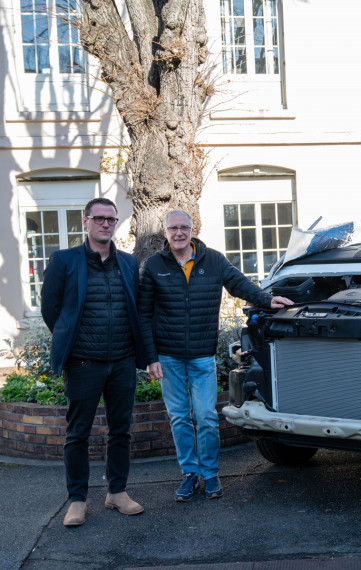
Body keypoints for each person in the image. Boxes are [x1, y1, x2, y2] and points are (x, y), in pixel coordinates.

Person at [138, 210, 293, 502]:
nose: (179, 233)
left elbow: (240, 285)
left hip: (201, 355)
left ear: (192, 229)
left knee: (207, 417)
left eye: (184, 227)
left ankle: (210, 474)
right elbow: (143, 314)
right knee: (179, 418)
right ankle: (189, 474)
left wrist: (267, 299)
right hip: (168, 356)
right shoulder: (154, 265)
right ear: (165, 231)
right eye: (173, 228)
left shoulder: (213, 260)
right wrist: (150, 357)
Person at [41, 197, 147, 527]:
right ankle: (77, 500)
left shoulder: (128, 262)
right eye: (98, 218)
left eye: (110, 219)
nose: (105, 224)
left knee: (120, 431)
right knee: (78, 433)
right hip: (84, 363)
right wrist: (71, 340)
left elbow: (135, 307)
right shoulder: (64, 260)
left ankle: (117, 492)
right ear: (85, 221)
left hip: (122, 361)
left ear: (115, 223)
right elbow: (51, 310)